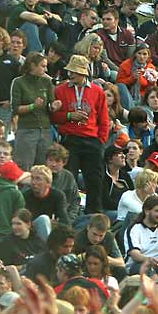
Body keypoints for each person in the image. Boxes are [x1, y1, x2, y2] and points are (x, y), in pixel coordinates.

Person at [51, 54, 109, 214]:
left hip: (92, 140)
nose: (71, 74)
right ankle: (66, 213)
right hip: (70, 140)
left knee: (95, 180)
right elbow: (54, 117)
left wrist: (101, 141)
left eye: (74, 72)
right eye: (70, 71)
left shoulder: (98, 92)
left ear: (84, 73)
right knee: (69, 179)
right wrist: (70, 116)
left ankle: (94, 214)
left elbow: (104, 119)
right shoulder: (60, 90)